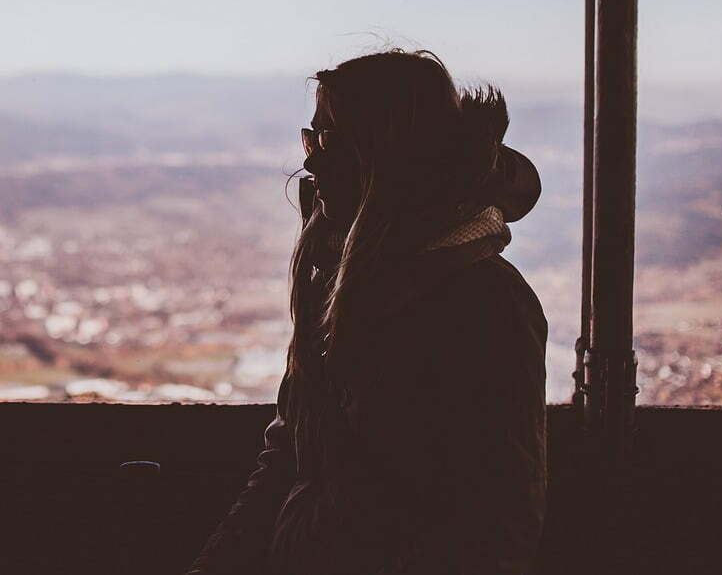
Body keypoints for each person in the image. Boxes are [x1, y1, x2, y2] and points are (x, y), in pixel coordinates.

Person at [187, 49, 548, 575]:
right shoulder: (340, 279)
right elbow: (293, 451)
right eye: (310, 137)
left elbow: (494, 526)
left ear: (386, 152)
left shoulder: (487, 303)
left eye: (329, 138)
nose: (310, 161)